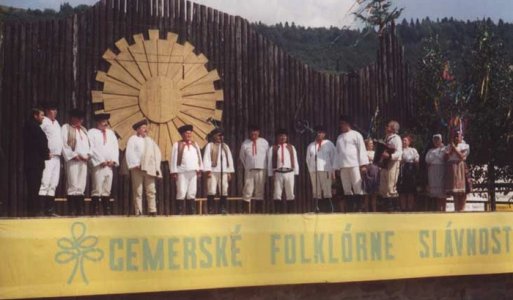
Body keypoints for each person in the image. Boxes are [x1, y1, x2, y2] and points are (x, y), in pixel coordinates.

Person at [125, 119, 162, 216]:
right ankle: (139, 212)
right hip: (137, 168)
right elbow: (130, 152)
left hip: (149, 169)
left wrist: (155, 167)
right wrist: (135, 164)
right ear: (137, 129)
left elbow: (157, 154)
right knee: (138, 191)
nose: (145, 129)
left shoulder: (150, 141)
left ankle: (152, 210)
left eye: (146, 128)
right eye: (143, 128)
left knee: (151, 190)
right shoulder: (132, 139)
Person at [335, 115, 369, 212]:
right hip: (343, 166)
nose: (340, 126)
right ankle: (350, 209)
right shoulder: (339, 138)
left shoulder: (356, 135)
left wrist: (363, 165)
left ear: (347, 124)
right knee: (346, 188)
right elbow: (337, 153)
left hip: (354, 164)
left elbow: (362, 150)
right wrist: (337, 167)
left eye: (342, 124)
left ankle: (359, 208)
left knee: (357, 186)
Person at [88, 113, 119, 215]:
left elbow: (115, 148)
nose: (105, 124)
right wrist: (101, 160)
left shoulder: (110, 133)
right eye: (103, 122)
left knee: (107, 187)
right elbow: (92, 148)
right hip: (99, 165)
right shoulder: (92, 133)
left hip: (109, 165)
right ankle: (95, 210)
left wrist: (113, 160)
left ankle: (106, 210)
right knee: (97, 187)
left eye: (106, 122)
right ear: (98, 122)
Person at [62, 109, 91, 216]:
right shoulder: (66, 128)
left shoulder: (84, 130)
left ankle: (80, 209)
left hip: (83, 160)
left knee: (81, 184)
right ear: (72, 118)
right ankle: (72, 209)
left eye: (81, 119)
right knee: (73, 182)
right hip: (73, 159)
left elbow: (89, 145)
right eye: (78, 118)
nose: (80, 121)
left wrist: (88, 155)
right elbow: (64, 144)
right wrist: (73, 155)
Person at [170, 124, 203, 215]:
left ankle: (191, 212)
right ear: (182, 134)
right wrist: (174, 171)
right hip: (182, 172)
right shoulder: (177, 145)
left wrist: (199, 169)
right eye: (186, 133)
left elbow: (199, 157)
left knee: (192, 192)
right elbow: (173, 158)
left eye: (190, 133)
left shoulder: (194, 144)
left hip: (193, 171)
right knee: (181, 191)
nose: (189, 135)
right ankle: (180, 212)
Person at [23, 107, 49, 217]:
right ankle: (34, 211)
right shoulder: (34, 128)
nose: (43, 117)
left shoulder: (29, 127)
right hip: (35, 162)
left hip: (31, 162)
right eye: (42, 115)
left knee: (32, 187)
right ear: (35, 116)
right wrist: (46, 154)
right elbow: (40, 144)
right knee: (34, 187)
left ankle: (32, 210)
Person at [38, 102, 62, 216]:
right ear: (47, 111)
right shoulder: (44, 122)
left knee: (53, 183)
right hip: (48, 157)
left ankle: (50, 210)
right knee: (45, 181)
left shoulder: (56, 123)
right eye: (52, 109)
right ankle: (41, 210)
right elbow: (40, 138)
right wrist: (44, 152)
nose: (55, 112)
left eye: (56, 109)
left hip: (57, 157)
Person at [203, 128, 234, 214]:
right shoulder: (210, 145)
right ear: (214, 136)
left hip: (223, 172)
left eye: (222, 136)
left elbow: (229, 159)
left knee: (224, 190)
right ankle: (210, 209)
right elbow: (207, 158)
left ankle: (223, 209)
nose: (220, 137)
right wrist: (208, 170)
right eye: (218, 135)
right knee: (211, 190)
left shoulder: (225, 146)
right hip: (212, 171)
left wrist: (229, 172)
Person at [305, 125, 336, 213]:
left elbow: (334, 157)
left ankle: (329, 208)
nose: (319, 134)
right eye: (317, 132)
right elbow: (307, 159)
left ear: (324, 134)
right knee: (316, 189)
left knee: (326, 189)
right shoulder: (311, 145)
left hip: (325, 169)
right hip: (314, 170)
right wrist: (311, 170)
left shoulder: (329, 144)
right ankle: (317, 208)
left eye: (321, 132)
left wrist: (333, 170)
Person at [268, 128, 299, 213]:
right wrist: (271, 174)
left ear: (287, 137)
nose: (283, 137)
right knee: (277, 193)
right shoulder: (273, 148)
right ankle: (278, 213)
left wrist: (296, 172)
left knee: (290, 193)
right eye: (280, 136)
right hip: (278, 173)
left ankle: (290, 213)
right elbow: (270, 162)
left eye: (284, 136)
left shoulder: (291, 147)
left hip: (289, 172)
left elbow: (295, 160)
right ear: (277, 137)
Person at [240, 125, 269, 213]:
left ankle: (258, 212)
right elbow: (242, 157)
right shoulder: (245, 143)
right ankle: (245, 211)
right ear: (249, 132)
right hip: (250, 170)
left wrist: (265, 168)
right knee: (247, 190)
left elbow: (268, 156)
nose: (254, 133)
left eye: (255, 131)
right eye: (252, 131)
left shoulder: (264, 142)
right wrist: (248, 166)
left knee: (259, 191)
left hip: (261, 170)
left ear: (258, 132)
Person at [378, 120, 403, 211]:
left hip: (393, 163)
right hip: (384, 164)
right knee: (383, 186)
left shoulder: (396, 138)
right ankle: (387, 208)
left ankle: (395, 208)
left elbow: (399, 152)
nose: (386, 128)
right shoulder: (386, 138)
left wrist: (390, 156)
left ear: (393, 128)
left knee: (391, 186)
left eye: (388, 126)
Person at [445, 131, 470, 212]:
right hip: (452, 168)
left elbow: (462, 157)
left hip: (461, 167)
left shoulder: (464, 146)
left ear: (461, 137)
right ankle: (456, 209)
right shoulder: (449, 146)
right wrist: (451, 149)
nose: (456, 138)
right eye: (455, 136)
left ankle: (462, 209)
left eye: (458, 136)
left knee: (463, 191)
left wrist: (455, 148)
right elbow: (445, 158)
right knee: (455, 191)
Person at [398, 134, 419, 212]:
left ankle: (410, 208)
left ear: (409, 142)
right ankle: (403, 208)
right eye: (403, 140)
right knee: (402, 191)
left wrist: (416, 169)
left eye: (405, 140)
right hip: (402, 170)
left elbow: (416, 160)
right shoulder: (400, 150)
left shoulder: (413, 150)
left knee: (410, 190)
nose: (404, 142)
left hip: (410, 170)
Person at [425, 134, 447, 211]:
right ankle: (438, 210)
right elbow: (428, 160)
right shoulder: (430, 151)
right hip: (432, 171)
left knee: (442, 193)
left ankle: (443, 209)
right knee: (435, 193)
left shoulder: (444, 149)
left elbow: (443, 158)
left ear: (441, 140)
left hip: (441, 169)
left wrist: (442, 149)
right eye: (435, 140)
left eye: (438, 140)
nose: (436, 141)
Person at [362, 139, 379, 212]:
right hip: (367, 172)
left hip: (375, 171)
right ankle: (367, 210)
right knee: (367, 193)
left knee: (374, 193)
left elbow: (378, 161)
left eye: (372, 144)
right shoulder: (364, 153)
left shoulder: (375, 153)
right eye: (370, 143)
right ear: (366, 144)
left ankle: (374, 210)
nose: (371, 145)